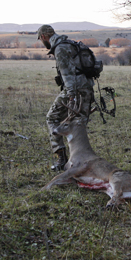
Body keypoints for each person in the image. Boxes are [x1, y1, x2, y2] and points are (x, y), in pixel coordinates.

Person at [37, 24, 94, 171]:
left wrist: (71, 96)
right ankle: (82, 161)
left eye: (41, 39)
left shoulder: (60, 48)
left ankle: (62, 159)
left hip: (75, 90)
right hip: (87, 88)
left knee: (52, 118)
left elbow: (67, 74)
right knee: (78, 124)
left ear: (44, 37)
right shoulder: (69, 43)